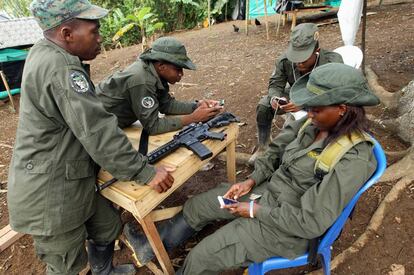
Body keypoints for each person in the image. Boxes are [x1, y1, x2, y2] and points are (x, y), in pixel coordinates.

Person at [123, 63, 380, 274]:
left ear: (342, 109)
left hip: (286, 229)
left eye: (316, 109)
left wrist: (256, 211)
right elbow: (275, 152)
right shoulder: (312, 125)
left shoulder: (354, 158)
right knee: (199, 205)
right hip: (266, 194)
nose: (309, 114)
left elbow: (310, 221)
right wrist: (252, 181)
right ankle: (156, 247)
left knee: (202, 258)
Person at [7, 1, 174, 274]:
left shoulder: (46, 51)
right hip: (50, 192)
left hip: (68, 175)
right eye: (94, 31)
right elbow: (98, 132)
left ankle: (104, 271)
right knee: (67, 266)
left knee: (107, 226)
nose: (100, 38)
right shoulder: (62, 69)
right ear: (67, 33)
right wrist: (145, 171)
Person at [250, 23, 343, 164]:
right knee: (264, 105)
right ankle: (263, 146)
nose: (298, 62)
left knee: (300, 128)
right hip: (295, 92)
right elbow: (275, 83)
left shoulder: (332, 62)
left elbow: (335, 94)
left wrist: (305, 104)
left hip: (321, 100)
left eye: (304, 57)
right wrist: (275, 98)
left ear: (316, 50)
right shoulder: (284, 60)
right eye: (296, 56)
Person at [96, 36, 222, 135]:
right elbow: (153, 126)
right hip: (96, 127)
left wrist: (196, 106)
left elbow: (166, 105)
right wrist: (192, 118)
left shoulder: (154, 71)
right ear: (161, 66)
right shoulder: (142, 80)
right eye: (178, 69)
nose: (181, 74)